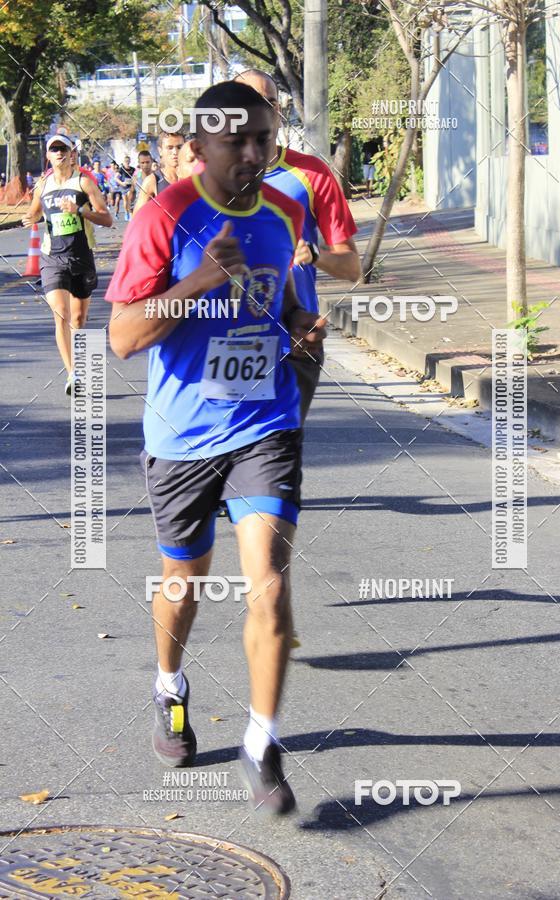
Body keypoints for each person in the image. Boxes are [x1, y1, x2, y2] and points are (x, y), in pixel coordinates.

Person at [106, 81, 326, 814]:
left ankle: (262, 742)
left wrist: (300, 323)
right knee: (185, 580)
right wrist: (200, 279)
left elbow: (283, 299)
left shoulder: (285, 211)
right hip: (183, 434)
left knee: (270, 583)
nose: (254, 154)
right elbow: (123, 337)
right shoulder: (163, 217)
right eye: (238, 142)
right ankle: (169, 685)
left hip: (265, 423)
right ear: (199, 147)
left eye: (264, 139)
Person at [234, 69, 361, 422]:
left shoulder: (312, 173)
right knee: (233, 444)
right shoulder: (209, 177)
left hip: (295, 337)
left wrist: (315, 255)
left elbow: (352, 267)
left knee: (279, 445)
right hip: (231, 336)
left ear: (279, 111)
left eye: (270, 102)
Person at [22, 134, 112, 395]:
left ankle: (79, 365)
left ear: (72, 154)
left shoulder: (84, 182)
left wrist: (80, 211)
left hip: (81, 256)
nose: (59, 152)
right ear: (48, 155)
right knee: (61, 313)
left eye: (63, 148)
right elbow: (34, 212)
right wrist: (29, 218)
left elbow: (106, 219)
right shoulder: (43, 184)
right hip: (52, 258)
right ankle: (73, 374)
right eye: (54, 149)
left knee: (79, 319)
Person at [133, 131, 183, 214]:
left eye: (179, 147)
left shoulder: (194, 179)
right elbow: (137, 218)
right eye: (170, 148)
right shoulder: (153, 181)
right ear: (160, 151)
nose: (175, 152)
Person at [119, 155, 136, 221]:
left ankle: (130, 212)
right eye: (126, 161)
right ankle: (126, 212)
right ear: (124, 162)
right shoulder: (121, 169)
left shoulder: (132, 169)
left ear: (130, 161)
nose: (127, 162)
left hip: (130, 186)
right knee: (125, 201)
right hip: (123, 187)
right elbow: (115, 178)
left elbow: (135, 176)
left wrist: (134, 182)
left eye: (128, 161)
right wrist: (122, 183)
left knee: (129, 199)